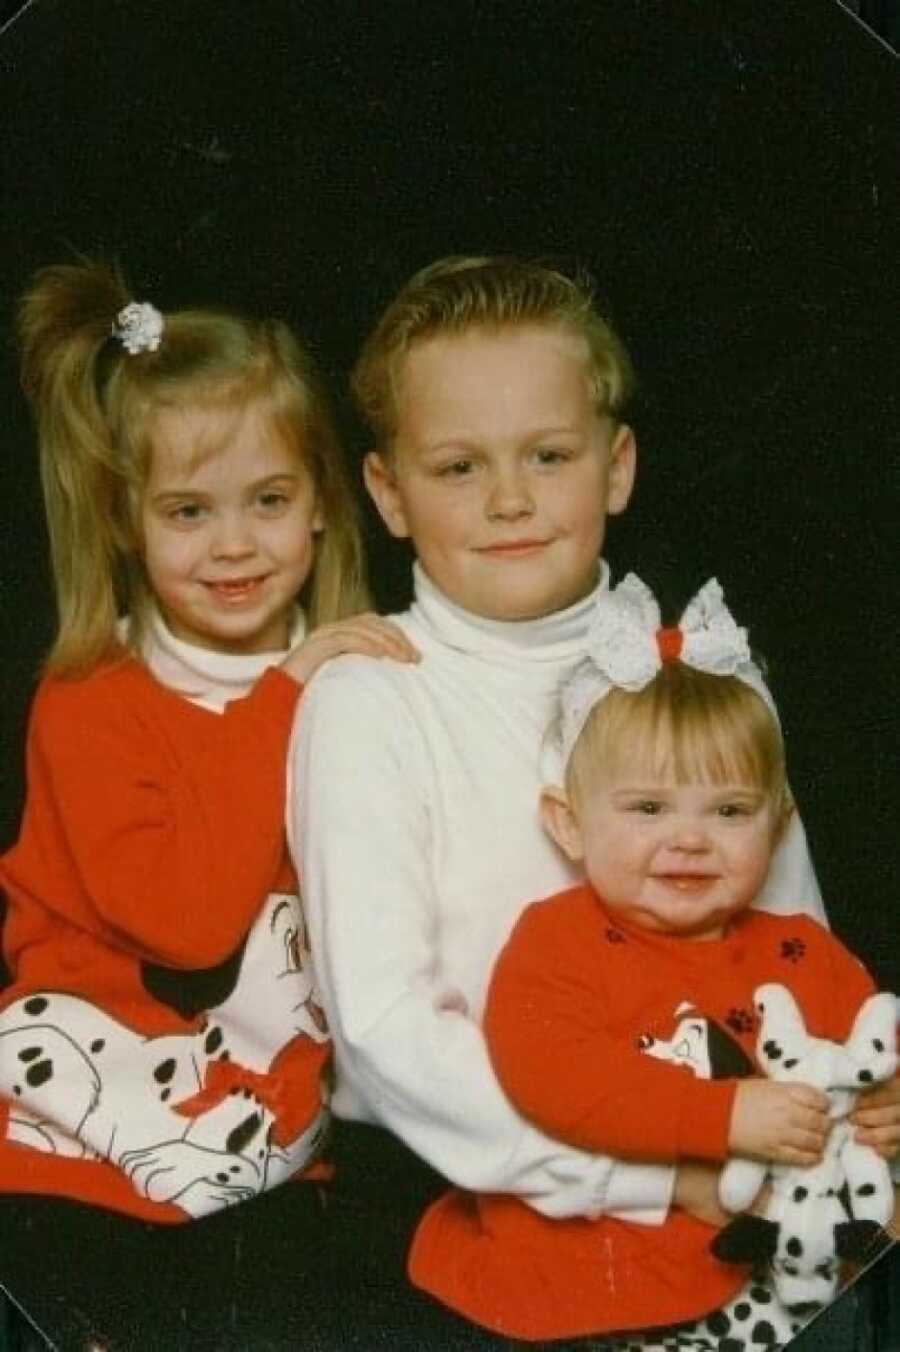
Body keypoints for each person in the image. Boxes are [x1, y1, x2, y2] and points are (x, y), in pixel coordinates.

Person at [290, 257, 900, 1338]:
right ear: (388, 493)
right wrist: (659, 1176)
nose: (511, 499)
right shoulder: (372, 699)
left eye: (550, 455)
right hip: (482, 1183)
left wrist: (853, 1091)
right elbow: (392, 1038)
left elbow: (790, 937)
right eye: (459, 466)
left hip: (737, 1151)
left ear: (616, 466)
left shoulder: (703, 664)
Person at [0, 259, 417, 1225]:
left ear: (321, 503)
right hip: (71, 1131)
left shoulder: (360, 678)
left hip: (259, 1137)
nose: (233, 545)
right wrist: (284, 695)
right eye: (189, 511)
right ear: (125, 524)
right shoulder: (90, 699)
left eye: (268, 501)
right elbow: (185, 922)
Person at [408, 573, 899, 1347]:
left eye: (730, 811)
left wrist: (889, 1104)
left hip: (771, 1284)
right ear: (568, 826)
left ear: (776, 825)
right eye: (647, 808)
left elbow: (871, 1057)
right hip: (587, 1280)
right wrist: (724, 1117)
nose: (690, 839)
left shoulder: (802, 951)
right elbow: (552, 1077)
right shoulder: (557, 940)